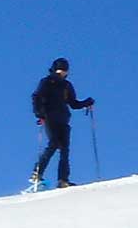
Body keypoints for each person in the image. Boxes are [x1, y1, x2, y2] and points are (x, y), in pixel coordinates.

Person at [31, 57, 96, 190]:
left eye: (64, 71)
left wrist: (86, 103)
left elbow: (73, 103)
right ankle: (37, 173)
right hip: (50, 117)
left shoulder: (66, 86)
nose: (61, 73)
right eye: (59, 70)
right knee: (54, 144)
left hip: (63, 119)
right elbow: (37, 97)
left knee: (65, 149)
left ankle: (63, 180)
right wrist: (39, 113)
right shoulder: (47, 82)